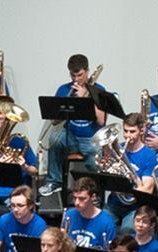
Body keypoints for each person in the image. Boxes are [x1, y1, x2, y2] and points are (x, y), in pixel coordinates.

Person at [41, 54, 109, 196]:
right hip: (71, 135)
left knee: (94, 159)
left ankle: (96, 192)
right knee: (54, 139)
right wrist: (67, 103)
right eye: (73, 75)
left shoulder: (99, 90)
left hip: (90, 138)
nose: (76, 79)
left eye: (80, 75)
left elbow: (101, 121)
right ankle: (54, 181)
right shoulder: (64, 89)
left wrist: (87, 97)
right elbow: (54, 121)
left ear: (87, 71)